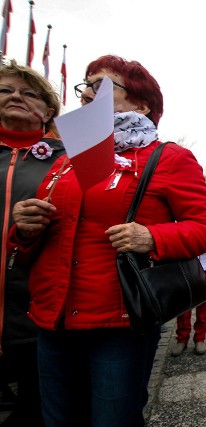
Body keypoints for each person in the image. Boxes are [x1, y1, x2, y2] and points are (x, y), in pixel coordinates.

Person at [8, 55, 206, 427]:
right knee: (57, 420)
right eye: (86, 84)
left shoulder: (167, 157)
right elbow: (42, 237)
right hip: (52, 317)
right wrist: (25, 228)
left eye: (101, 85)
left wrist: (152, 236)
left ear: (141, 104)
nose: (87, 92)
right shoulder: (66, 161)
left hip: (120, 321)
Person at [0, 60, 62, 426]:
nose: (16, 97)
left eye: (28, 93)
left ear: (49, 110)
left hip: (37, 320)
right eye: (6, 91)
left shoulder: (68, 161)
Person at [171, 176, 206, 357]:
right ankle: (181, 338)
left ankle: (200, 338)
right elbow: (177, 233)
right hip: (186, 261)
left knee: (204, 303)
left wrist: (196, 239)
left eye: (205, 186)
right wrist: (200, 237)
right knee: (184, 302)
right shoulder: (180, 205)